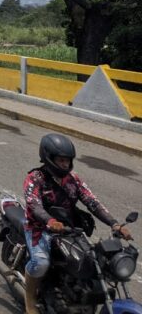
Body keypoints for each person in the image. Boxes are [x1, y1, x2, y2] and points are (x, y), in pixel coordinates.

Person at [22, 133, 133, 314]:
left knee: (91, 260)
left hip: (68, 229)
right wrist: (49, 221)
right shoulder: (36, 178)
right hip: (38, 228)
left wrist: (115, 224)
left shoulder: (73, 179)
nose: (65, 164)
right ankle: (30, 303)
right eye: (61, 160)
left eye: (68, 160)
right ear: (48, 158)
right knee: (40, 263)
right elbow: (34, 205)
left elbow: (92, 202)